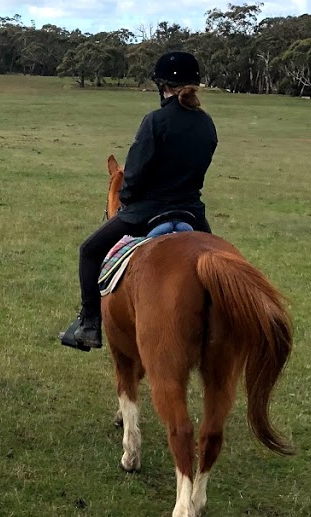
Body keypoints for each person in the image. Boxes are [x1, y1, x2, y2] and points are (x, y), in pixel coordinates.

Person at [60, 51, 217, 351]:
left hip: (147, 211)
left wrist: (128, 199)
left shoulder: (155, 121)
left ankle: (90, 324)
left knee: (89, 251)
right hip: (192, 214)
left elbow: (134, 174)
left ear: (163, 87)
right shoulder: (207, 124)